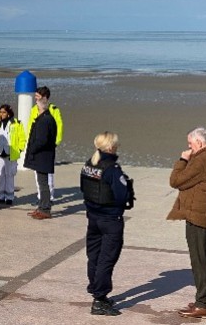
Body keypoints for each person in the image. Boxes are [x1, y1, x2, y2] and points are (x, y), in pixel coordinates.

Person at [168, 127, 206, 319]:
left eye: (190, 144)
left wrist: (183, 159)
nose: (188, 147)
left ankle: (203, 305)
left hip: (199, 216)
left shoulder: (202, 159)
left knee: (200, 260)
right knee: (205, 258)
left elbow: (176, 180)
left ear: (199, 143)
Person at [80, 131, 135, 316]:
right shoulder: (112, 169)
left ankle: (98, 294)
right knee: (106, 259)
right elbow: (121, 196)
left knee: (94, 257)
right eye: (116, 145)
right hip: (110, 220)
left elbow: (83, 189)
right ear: (111, 147)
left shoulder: (89, 164)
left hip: (93, 218)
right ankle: (99, 299)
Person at [27, 86, 63, 204]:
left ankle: (50, 197)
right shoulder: (34, 109)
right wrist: (30, 142)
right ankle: (40, 197)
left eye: (38, 96)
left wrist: (55, 143)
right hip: (36, 145)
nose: (35, 98)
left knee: (48, 175)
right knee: (38, 175)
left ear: (45, 97)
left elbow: (59, 127)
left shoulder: (53, 109)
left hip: (47, 146)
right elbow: (30, 126)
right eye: (35, 96)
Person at [24, 97, 57, 220]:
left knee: (43, 183)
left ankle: (45, 209)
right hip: (44, 156)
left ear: (40, 107)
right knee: (42, 182)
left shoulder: (44, 120)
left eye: (37, 105)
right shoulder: (48, 119)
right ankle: (42, 206)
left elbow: (42, 140)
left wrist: (32, 149)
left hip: (42, 156)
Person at [0, 104, 26, 205]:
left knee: (10, 175)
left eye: (4, 112)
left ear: (9, 113)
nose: (1, 114)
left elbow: (22, 137)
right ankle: (0, 196)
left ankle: (9, 197)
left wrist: (20, 149)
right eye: (0, 112)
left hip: (11, 153)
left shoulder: (16, 123)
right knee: (0, 175)